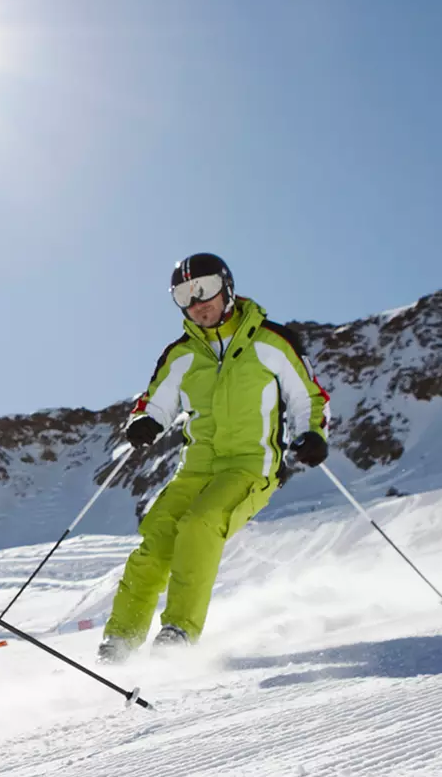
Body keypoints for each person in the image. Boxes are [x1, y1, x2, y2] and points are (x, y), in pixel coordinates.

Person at [97, 253, 328, 662]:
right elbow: (156, 402)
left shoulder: (271, 341)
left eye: (204, 289)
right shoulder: (181, 354)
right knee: (156, 541)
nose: (198, 302)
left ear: (227, 287)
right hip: (196, 467)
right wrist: (145, 422)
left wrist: (311, 434)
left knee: (200, 524)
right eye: (184, 295)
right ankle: (120, 643)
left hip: (249, 465)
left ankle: (179, 634)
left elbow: (306, 395)